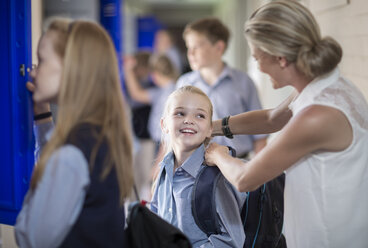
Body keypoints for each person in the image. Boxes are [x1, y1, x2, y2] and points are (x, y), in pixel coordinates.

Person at [204, 1, 368, 248]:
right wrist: (213, 127)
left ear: (280, 58)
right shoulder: (324, 85)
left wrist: (217, 153)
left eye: (258, 58)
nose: (258, 67)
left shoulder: (318, 116)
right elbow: (272, 118)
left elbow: (245, 179)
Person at [14, 19, 133, 248]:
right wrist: (41, 114)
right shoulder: (99, 135)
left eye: (42, 61)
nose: (33, 72)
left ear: (72, 68)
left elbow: (31, 239)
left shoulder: (70, 154)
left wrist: (36, 186)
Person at [150, 86, 246, 247]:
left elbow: (231, 241)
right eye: (180, 113)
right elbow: (155, 217)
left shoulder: (215, 177)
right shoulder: (164, 169)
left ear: (210, 129)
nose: (189, 120)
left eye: (200, 115)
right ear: (164, 124)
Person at [177, 17, 267, 159]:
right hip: (195, 167)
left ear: (219, 47)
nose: (190, 53)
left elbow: (260, 134)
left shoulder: (244, 82)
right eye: (189, 47)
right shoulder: (184, 84)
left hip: (238, 163)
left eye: (197, 47)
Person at [124, 53, 179, 200]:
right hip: (160, 145)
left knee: (153, 186)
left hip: (163, 146)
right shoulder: (164, 91)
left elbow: (168, 134)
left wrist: (158, 162)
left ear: (154, 73)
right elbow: (137, 94)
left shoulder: (169, 94)